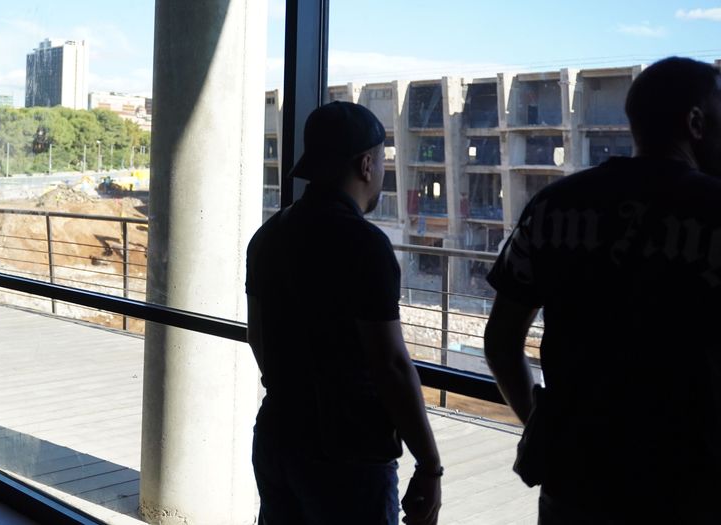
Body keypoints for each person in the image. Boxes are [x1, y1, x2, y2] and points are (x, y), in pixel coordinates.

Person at [484, 56, 721, 523]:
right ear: (695, 122)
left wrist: (543, 423)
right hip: (692, 488)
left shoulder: (553, 204)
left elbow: (500, 342)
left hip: (574, 482)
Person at [246, 101, 442, 524]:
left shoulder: (269, 236)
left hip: (279, 433)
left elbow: (257, 335)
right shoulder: (364, 244)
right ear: (367, 164)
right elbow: (390, 363)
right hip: (348, 454)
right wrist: (429, 464)